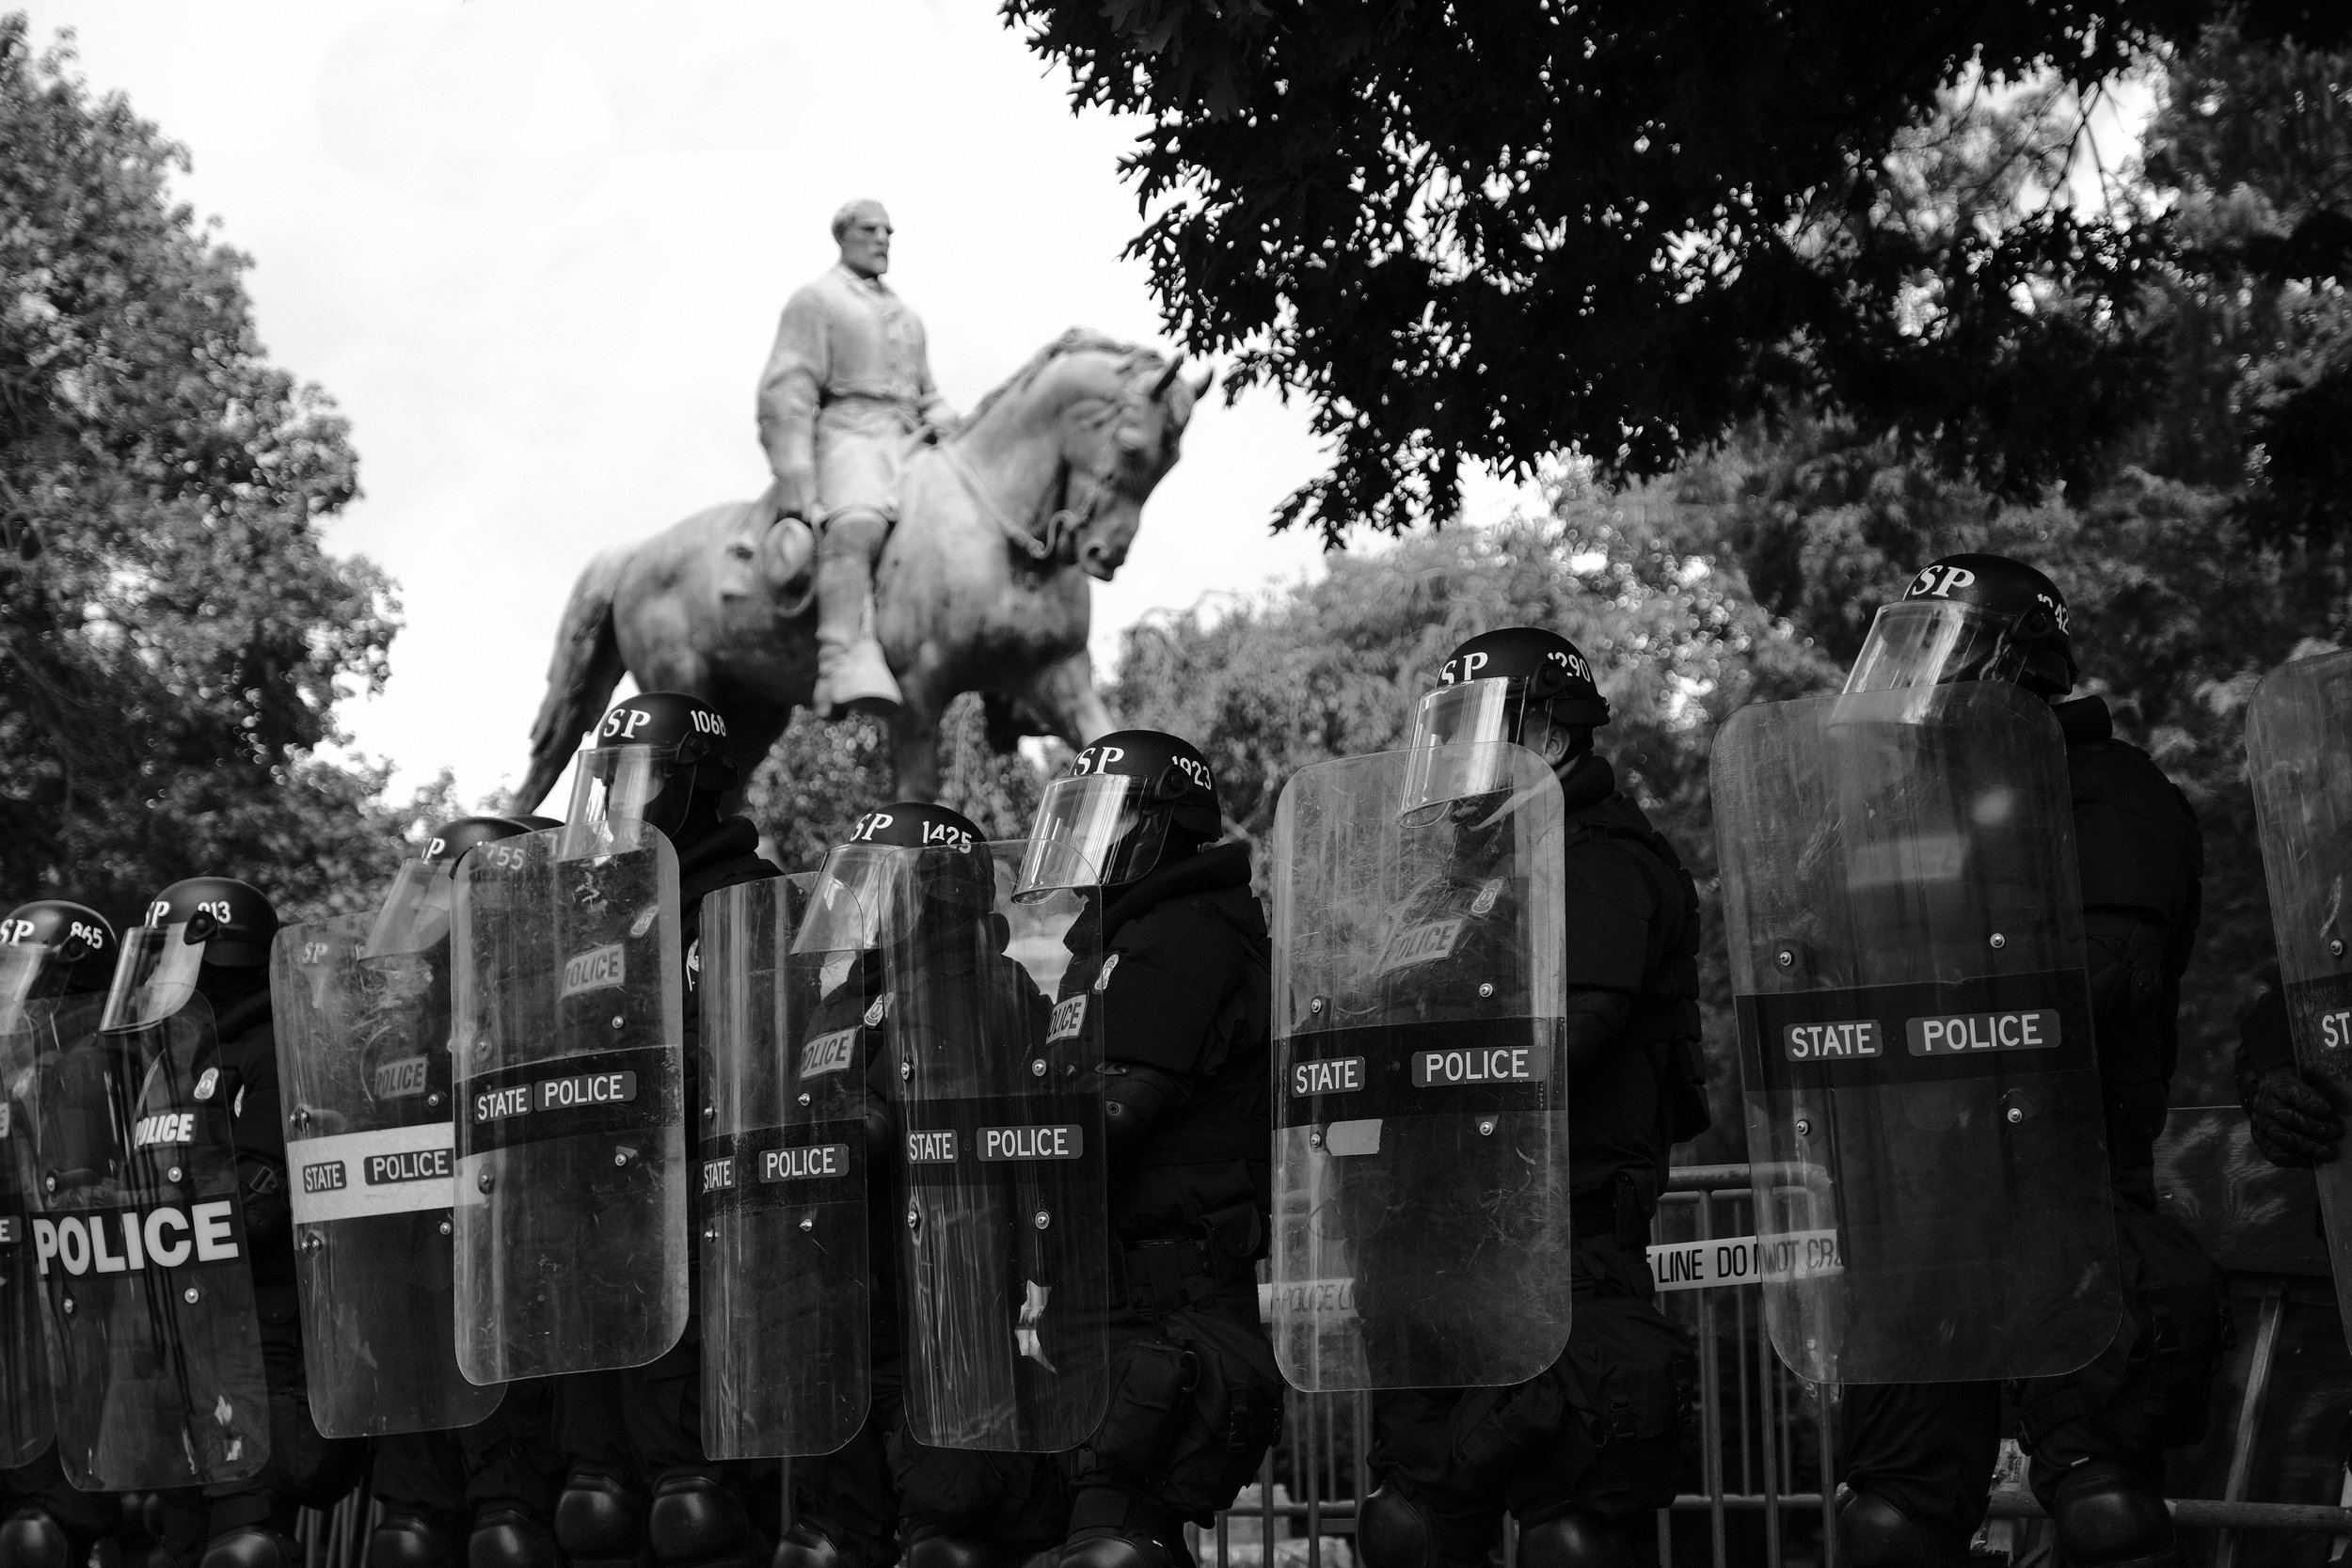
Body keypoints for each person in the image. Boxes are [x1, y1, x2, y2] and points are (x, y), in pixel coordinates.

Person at [1834, 555, 2218, 1568]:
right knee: (1886, 1519)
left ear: (2017, 666)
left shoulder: (2112, 791)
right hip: (1927, 1215)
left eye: (1942, 653)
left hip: (2072, 1199)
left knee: (2100, 1509)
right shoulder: (1906, 813)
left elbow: (2110, 973)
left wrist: (1943, 1002)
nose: (1920, 682)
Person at [1349, 630, 1706, 1568]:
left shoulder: (1599, 864)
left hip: (1564, 1249)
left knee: (1570, 1538)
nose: (1464, 771)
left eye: (1486, 739)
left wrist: (1410, 1063)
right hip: (1432, 1250)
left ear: (1547, 733)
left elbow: (1563, 1041)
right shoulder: (1445, 890)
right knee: (1409, 1528)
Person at [889, 732, 1284, 1568]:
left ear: (1163, 827)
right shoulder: (1093, 954)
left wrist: (975, 1145)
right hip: (1075, 1303)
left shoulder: (1187, 935)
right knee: (958, 1537)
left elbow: (1111, 1116)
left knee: (1112, 1551)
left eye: (1106, 820)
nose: (1086, 844)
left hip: (1168, 1306)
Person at [553, 692, 783, 1568]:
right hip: (594, 1248)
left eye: (637, 781)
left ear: (696, 787)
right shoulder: (589, 916)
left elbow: (755, 1077)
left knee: (696, 1513)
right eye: (606, 783)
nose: (617, 803)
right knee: (594, 1509)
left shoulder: (744, 904)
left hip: (701, 1246)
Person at [111, 878, 370, 1568]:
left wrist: (166, 1219)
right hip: (181, 1338)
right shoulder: (170, 1063)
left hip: (259, 1339)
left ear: (217, 957)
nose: (155, 980)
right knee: (180, 1544)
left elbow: (261, 1198)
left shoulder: (274, 1047)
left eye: (169, 957)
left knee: (241, 1545)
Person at [771, 802, 980, 1568]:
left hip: (946, 1325)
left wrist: (859, 1119)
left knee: (948, 1545)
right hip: (841, 1318)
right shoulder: (840, 999)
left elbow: (920, 1125)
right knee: (823, 1547)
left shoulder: (981, 989)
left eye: (884, 882)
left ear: (940, 890)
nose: (864, 901)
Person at [358, 816, 569, 1568]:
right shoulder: (410, 1031)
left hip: (516, 1311)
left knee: (510, 1532)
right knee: (408, 1538)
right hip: (414, 1322)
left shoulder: (544, 1010)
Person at [756, 198, 959, 720]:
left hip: (909, 439)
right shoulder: (817, 301)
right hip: (849, 434)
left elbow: (928, 391)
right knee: (858, 524)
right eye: (870, 230)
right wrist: (794, 469)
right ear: (843, 236)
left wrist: (948, 419)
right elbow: (788, 389)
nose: (883, 239)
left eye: (888, 231)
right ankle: (839, 661)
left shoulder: (907, 317)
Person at [0, 900, 123, 1568]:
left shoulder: (81, 1066)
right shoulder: (23, 1066)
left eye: (30, 974)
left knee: (44, 1527)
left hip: (71, 1319)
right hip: (23, 1321)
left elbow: (79, 1196)